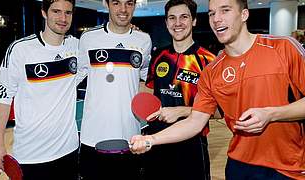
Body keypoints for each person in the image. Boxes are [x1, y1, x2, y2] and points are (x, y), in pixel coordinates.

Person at [130, 0, 305, 179]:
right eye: (212, 13)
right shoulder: (212, 71)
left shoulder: (284, 48)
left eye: (225, 10)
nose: (216, 19)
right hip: (239, 165)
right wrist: (150, 139)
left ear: (244, 14)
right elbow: (195, 121)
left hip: (288, 168)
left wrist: (271, 114)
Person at [0, 0, 82, 179]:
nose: (63, 18)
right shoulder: (20, 50)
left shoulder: (77, 47)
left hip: (69, 151)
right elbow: (3, 98)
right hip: (31, 156)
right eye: (56, 11)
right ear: (44, 13)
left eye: (68, 13)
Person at [78, 0, 152, 179]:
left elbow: (144, 81)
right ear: (106, 4)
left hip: (130, 138)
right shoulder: (88, 39)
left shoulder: (144, 40)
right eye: (117, 3)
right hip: (93, 137)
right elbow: (73, 78)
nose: (123, 9)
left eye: (129, 3)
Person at [141, 0, 215, 179]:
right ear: (166, 23)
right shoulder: (159, 56)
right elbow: (150, 93)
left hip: (192, 142)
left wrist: (181, 111)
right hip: (158, 138)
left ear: (194, 20)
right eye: (172, 18)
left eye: (184, 17)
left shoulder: (208, 60)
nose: (178, 23)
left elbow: (219, 111)